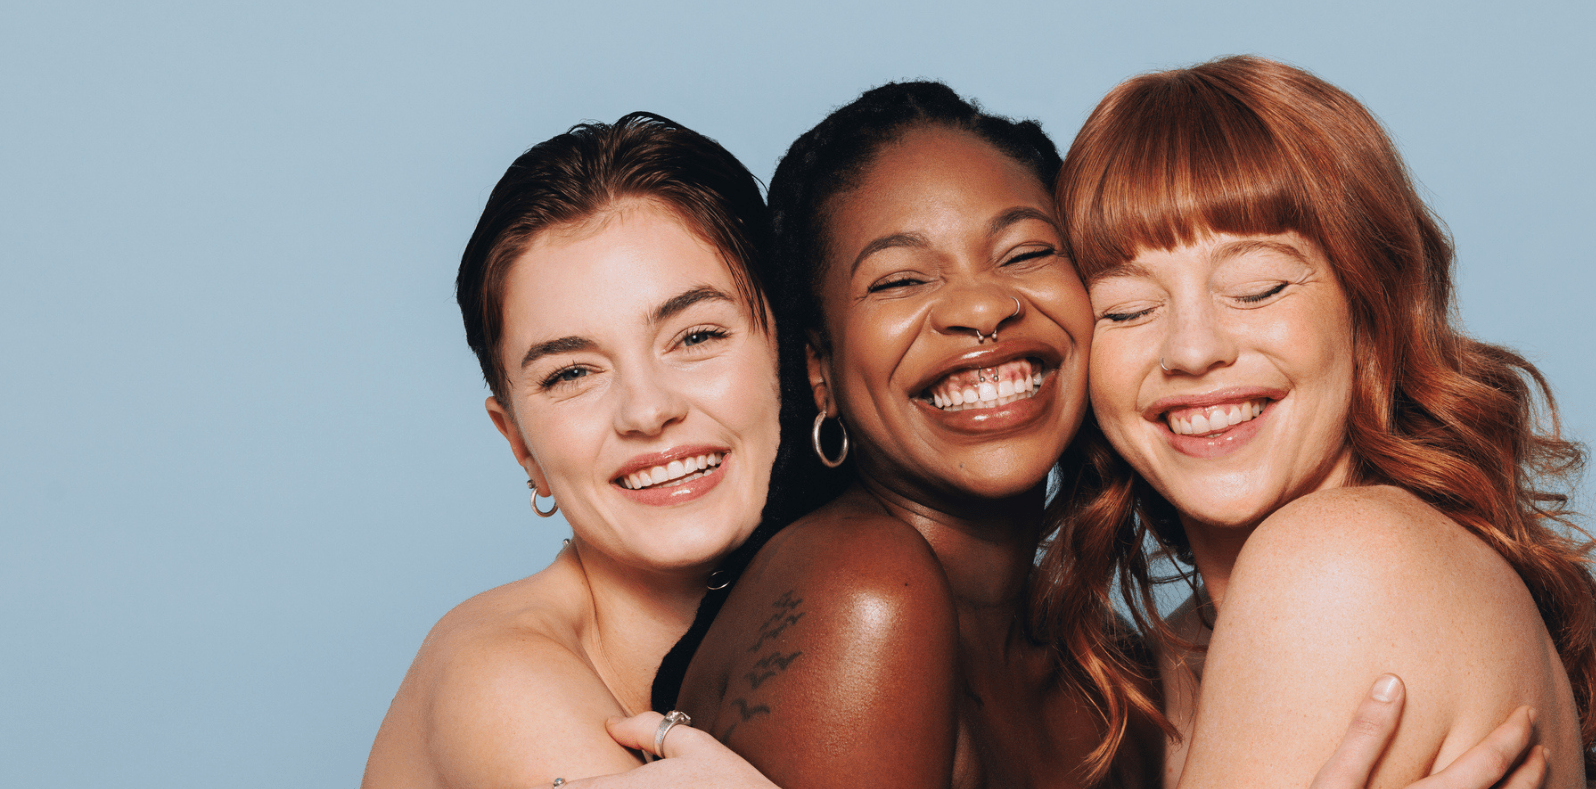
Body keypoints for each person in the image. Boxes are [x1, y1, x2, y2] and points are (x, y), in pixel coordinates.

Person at [651, 81, 1547, 789]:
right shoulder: (872, 596)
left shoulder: (1155, 649)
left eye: (1028, 254)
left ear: (1371, 312)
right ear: (819, 367)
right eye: (1130, 306)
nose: (982, 308)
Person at [1045, 55, 1591, 787]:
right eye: (1128, 309)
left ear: (1369, 308)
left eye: (1256, 287)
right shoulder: (1187, 640)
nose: (1193, 349)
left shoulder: (1332, 564)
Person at [360, 112, 786, 789]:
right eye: (570, 374)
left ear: (793, 355)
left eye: (696, 336)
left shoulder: (852, 604)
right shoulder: (497, 671)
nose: (647, 410)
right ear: (521, 445)